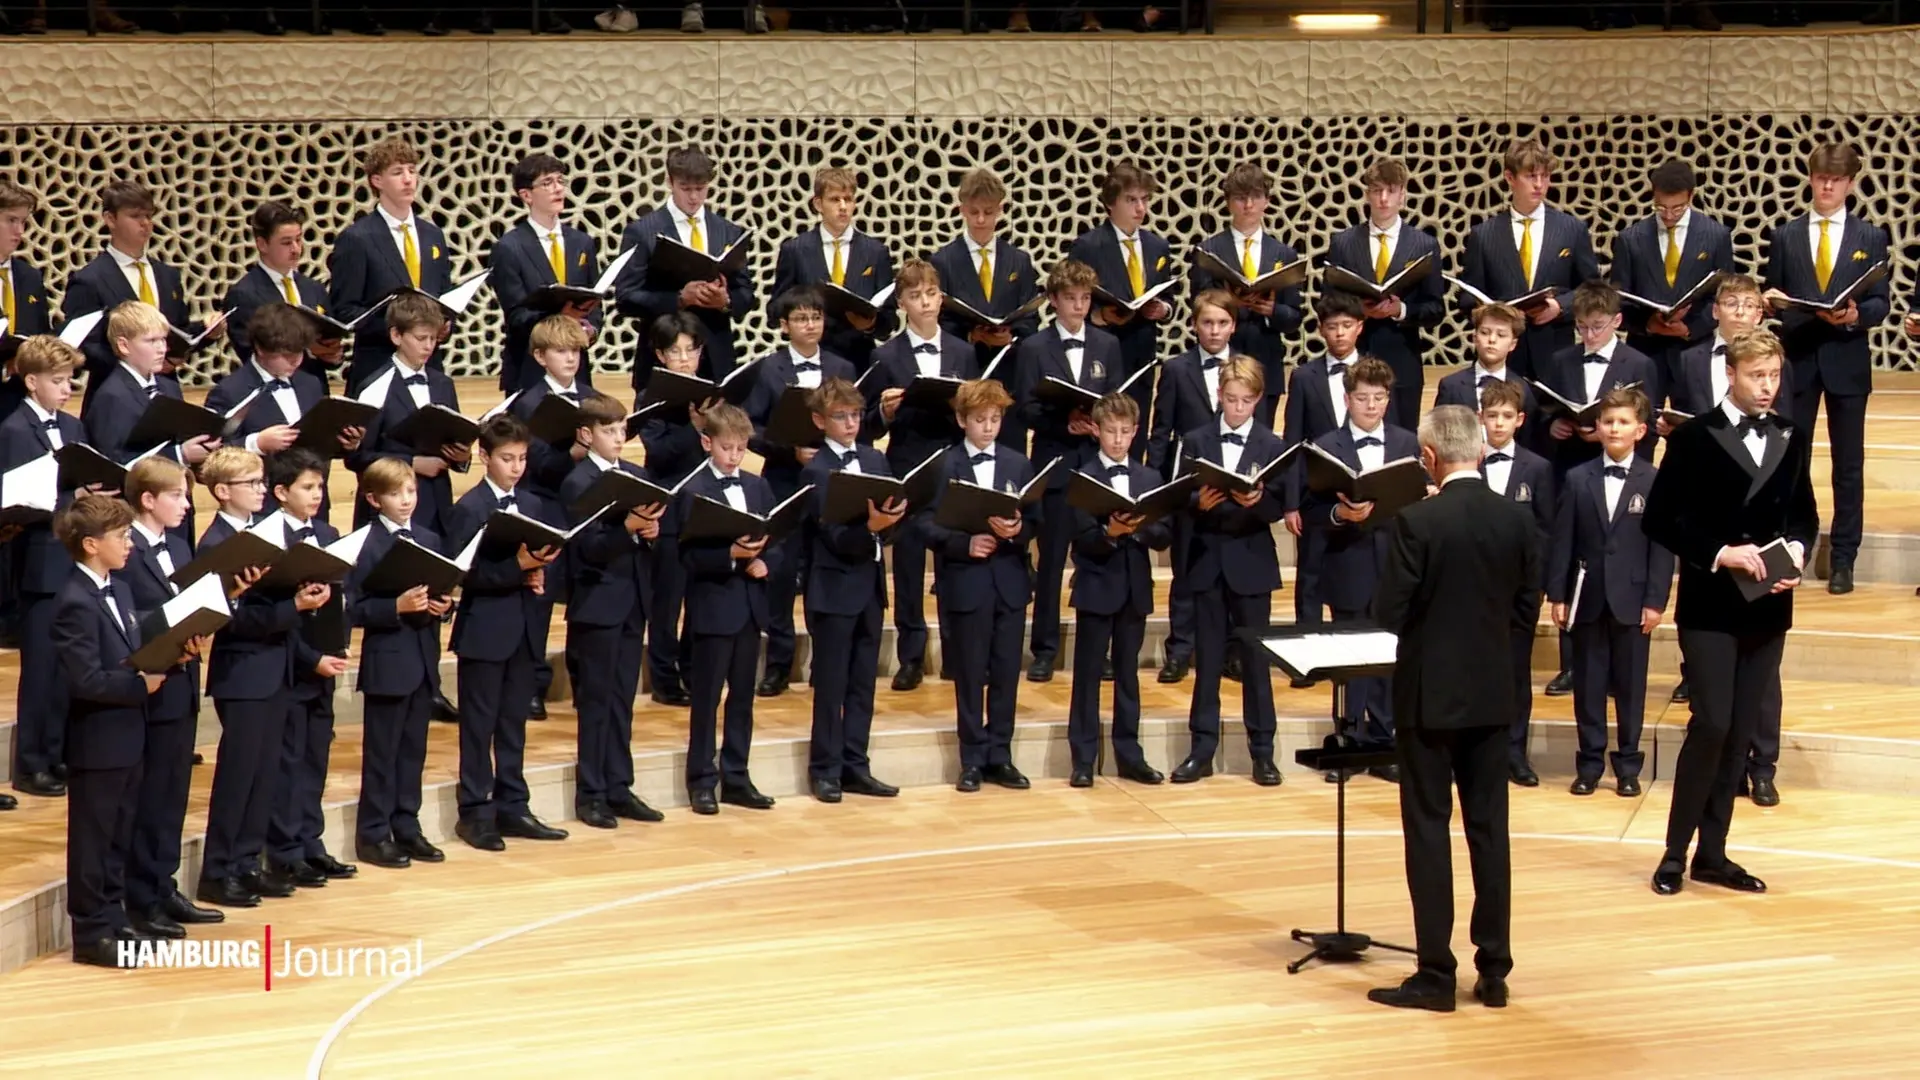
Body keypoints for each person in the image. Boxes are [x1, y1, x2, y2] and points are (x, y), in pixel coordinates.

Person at [1368, 404, 1540, 1013]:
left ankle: (1436, 976)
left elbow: (1390, 614)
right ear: (1483, 451)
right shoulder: (1517, 521)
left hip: (1429, 700)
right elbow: (1525, 612)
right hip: (1495, 697)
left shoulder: (1418, 521)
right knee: (1490, 832)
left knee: (1429, 830)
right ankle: (1494, 970)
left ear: (1430, 459)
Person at [1643, 328, 1817, 898]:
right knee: (1712, 722)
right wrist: (1720, 552)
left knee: (1740, 731)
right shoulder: (1695, 437)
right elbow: (1662, 519)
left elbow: (1804, 516)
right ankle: (1674, 852)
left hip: (1769, 605)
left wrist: (1795, 552)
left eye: (1774, 377)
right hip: (1712, 605)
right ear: (1732, 376)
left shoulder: (1792, 435)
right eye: (1757, 376)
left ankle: (1712, 855)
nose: (1767, 387)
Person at [195, 447, 333, 908]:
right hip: (243, 673)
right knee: (238, 778)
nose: (259, 490)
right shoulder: (217, 543)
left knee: (264, 777)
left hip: (276, 669)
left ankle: (247, 865)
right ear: (221, 491)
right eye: (250, 484)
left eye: (259, 482)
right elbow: (228, 620)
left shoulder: (265, 535)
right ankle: (218, 871)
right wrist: (293, 607)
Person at [1762, 141, 1889, 597]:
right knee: (1790, 460)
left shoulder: (1871, 237)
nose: (1827, 186)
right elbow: (1773, 297)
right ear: (1811, 179)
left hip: (1846, 360)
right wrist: (1773, 302)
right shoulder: (1786, 236)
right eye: (1820, 178)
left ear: (1850, 184)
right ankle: (1792, 548)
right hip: (1797, 359)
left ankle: (1843, 559)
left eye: (1836, 180)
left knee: (1848, 466)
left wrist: (1856, 316)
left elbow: (1880, 303)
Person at [49, 494, 171, 969]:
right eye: (121, 537)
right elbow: (87, 680)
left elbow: (129, 654)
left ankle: (115, 921)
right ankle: (91, 933)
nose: (129, 545)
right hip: (97, 739)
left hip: (129, 734)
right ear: (90, 545)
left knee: (120, 834)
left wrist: (168, 656)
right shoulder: (73, 602)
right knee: (93, 841)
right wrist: (140, 684)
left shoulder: (117, 590)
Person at [444, 415, 570, 852]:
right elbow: (464, 575)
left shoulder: (533, 505)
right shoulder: (470, 509)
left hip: (523, 628)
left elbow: (540, 560)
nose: (516, 467)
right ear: (484, 457)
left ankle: (513, 805)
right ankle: (475, 813)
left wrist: (537, 578)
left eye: (521, 458)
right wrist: (517, 570)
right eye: (507, 459)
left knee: (513, 723)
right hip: (484, 629)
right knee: (479, 726)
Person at [121, 458, 230, 933]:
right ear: (148, 499)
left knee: (172, 794)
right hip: (151, 684)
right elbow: (132, 618)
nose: (187, 505)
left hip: (184, 681)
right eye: (178, 497)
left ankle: (163, 887)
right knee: (148, 797)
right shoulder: (124, 549)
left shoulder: (180, 546)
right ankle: (141, 896)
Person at [1546, 387, 1673, 797]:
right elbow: (1562, 540)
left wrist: (1656, 600)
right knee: (1589, 684)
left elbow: (1661, 546)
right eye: (1608, 421)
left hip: (1633, 600)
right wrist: (1559, 595)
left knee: (1631, 686)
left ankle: (1629, 765)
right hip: (1587, 596)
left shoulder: (1654, 481)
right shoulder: (1577, 478)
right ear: (1597, 427)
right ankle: (1589, 764)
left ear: (1640, 431)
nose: (1614, 428)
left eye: (1623, 422)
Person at [861, 259, 978, 691]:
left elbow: (978, 411)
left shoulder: (964, 352)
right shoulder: (884, 355)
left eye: (930, 293)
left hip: (953, 466)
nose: (924, 302)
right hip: (907, 465)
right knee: (908, 566)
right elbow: (868, 426)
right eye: (915, 296)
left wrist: (960, 408)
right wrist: (884, 413)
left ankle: (954, 652)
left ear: (941, 298)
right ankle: (911, 655)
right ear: (902, 303)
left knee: (953, 563)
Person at [918, 378, 1038, 793]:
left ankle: (999, 755)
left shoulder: (1017, 464)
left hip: (1008, 581)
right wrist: (964, 543)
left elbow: (1035, 520)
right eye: (980, 420)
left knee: (1006, 672)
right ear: (961, 420)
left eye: (995, 419)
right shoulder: (945, 465)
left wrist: (1019, 529)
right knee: (969, 673)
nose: (988, 427)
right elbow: (925, 524)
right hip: (966, 582)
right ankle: (971, 758)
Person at [1170, 357, 1285, 787]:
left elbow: (1279, 505)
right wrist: (1196, 503)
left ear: (1257, 400)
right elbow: (1178, 497)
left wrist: (1260, 503)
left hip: (1251, 563)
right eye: (1230, 399)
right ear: (1219, 395)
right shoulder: (1197, 440)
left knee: (1256, 663)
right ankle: (1201, 749)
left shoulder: (1272, 445)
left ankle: (1263, 753)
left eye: (1246, 401)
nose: (1237, 408)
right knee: (1208, 661)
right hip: (1207, 561)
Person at [1302, 356, 1419, 773]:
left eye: (1379, 398)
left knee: (1388, 654)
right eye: (1362, 398)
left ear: (1388, 400)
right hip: (1346, 560)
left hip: (1394, 564)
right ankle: (1349, 740)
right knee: (1351, 658)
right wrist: (1340, 516)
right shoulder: (1326, 445)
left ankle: (1383, 742)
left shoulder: (1407, 443)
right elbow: (1310, 508)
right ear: (1347, 399)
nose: (1371, 406)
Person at [561, 395, 670, 828]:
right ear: (586, 435)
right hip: (597, 604)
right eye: (609, 431)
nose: (619, 439)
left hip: (632, 601)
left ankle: (619, 787)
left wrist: (651, 532)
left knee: (623, 700)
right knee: (596, 701)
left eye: (622, 430)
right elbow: (587, 549)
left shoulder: (636, 476)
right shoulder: (577, 482)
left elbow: (643, 541)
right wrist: (628, 529)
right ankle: (591, 794)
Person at [742, 284, 856, 697]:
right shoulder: (769, 369)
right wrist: (789, 449)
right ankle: (779, 664)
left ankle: (825, 662)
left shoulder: (842, 367)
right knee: (782, 572)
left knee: (822, 572)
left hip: (831, 483)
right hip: (785, 482)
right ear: (785, 325)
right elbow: (750, 428)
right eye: (802, 318)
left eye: (816, 317)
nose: (810, 325)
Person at [798, 378, 905, 802]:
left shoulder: (875, 460)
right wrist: (874, 528)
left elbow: (893, 519)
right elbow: (833, 537)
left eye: (856, 415)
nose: (850, 424)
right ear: (819, 420)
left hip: (869, 589)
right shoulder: (816, 470)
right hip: (833, 588)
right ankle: (825, 768)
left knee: (863, 683)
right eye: (841, 417)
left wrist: (891, 524)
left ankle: (855, 765)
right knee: (832, 684)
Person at [1014, 259, 1121, 682]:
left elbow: (1115, 400)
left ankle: (1100, 650)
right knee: (1052, 560)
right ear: (1054, 301)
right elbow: (1024, 408)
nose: (1079, 306)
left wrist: (1099, 424)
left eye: (1085, 299)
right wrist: (1064, 423)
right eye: (1071, 299)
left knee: (1097, 560)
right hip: (1055, 463)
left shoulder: (1108, 345)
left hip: (1096, 465)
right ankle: (1045, 649)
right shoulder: (1035, 348)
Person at [346, 458, 454, 869]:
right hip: (387, 661)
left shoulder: (428, 537)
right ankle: (374, 834)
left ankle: (407, 826)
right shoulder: (363, 544)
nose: (406, 500)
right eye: (395, 493)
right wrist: (396, 606)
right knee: (383, 752)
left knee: (413, 751)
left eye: (410, 490)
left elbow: (439, 591)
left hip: (423, 659)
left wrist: (443, 605)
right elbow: (353, 608)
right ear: (374, 499)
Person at [258, 449, 356, 887]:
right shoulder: (268, 540)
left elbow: (335, 601)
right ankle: (285, 851)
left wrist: (336, 648)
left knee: (316, 757)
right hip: (292, 665)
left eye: (320, 487)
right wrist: (311, 658)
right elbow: (273, 611)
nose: (317, 495)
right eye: (308, 487)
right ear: (281, 492)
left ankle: (311, 843)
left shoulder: (327, 532)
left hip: (324, 663)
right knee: (289, 760)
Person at [677, 402, 782, 814]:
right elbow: (686, 557)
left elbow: (777, 537)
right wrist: (730, 554)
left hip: (749, 609)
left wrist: (763, 560)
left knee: (742, 698)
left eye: (741, 448)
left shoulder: (758, 487)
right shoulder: (693, 491)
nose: (734, 456)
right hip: (713, 608)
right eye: (726, 448)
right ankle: (702, 779)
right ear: (707, 443)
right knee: (706, 699)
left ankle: (736, 776)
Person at [1065, 391, 1171, 787]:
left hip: (1133, 589)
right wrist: (1110, 533)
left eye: (1125, 432)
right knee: (1088, 675)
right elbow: (1080, 538)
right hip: (1096, 586)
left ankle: (1129, 755)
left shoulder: (1148, 478)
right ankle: (1083, 758)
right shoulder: (1084, 476)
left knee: (1128, 675)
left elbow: (1163, 534)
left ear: (1136, 432)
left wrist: (1138, 528)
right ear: (1096, 430)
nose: (1118, 439)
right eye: (1110, 431)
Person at [2, 336, 87, 802]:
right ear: (31, 382)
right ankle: (31, 764)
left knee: (65, 669)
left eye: (70, 379)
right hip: (37, 560)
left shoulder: (72, 426)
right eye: (57, 381)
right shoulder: (14, 430)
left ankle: (58, 753)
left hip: (72, 556)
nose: (67, 388)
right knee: (40, 670)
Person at [1146, 289, 1238, 683]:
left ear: (1233, 325)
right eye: (1207, 322)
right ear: (1194, 325)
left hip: (1236, 485)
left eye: (1221, 323)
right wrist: (1155, 485)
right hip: (1189, 487)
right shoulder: (1178, 369)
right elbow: (1161, 431)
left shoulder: (1247, 367)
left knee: (1234, 574)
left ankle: (1232, 652)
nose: (1214, 331)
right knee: (1186, 571)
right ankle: (1180, 650)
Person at [1456, 138, 1600, 380]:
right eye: (1531, 176)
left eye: (1545, 176)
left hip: (1556, 351)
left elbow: (1592, 289)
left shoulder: (1571, 229)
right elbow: (1468, 298)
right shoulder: (1484, 235)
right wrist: (1497, 313)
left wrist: (1560, 307)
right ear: (1510, 178)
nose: (1539, 185)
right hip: (1503, 357)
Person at [61, 180, 213, 403]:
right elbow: (84, 347)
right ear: (110, 219)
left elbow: (176, 332)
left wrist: (206, 332)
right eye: (135, 216)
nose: (146, 223)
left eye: (149, 216)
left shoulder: (168, 275)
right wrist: (140, 362)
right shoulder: (89, 279)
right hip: (115, 397)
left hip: (167, 393)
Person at [616, 145, 755, 386]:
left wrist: (726, 301)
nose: (693, 197)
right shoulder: (641, 231)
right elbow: (626, 298)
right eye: (685, 189)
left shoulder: (729, 231)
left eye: (700, 189)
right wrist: (679, 298)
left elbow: (746, 294)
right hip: (662, 356)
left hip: (716, 358)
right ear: (670, 182)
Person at [1326, 157, 1447, 429]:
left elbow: (1435, 309)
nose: (1383, 199)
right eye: (1377, 190)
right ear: (1367, 194)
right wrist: (1361, 311)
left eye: (1391, 191)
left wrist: (1400, 310)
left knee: (1402, 442)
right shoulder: (1343, 243)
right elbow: (1328, 301)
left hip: (1402, 362)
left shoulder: (1423, 244)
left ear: (1402, 195)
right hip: (1354, 357)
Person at [328, 136, 454, 393]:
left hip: (430, 367)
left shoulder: (433, 235)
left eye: (412, 171)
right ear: (377, 181)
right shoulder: (357, 239)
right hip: (378, 366)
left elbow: (444, 295)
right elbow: (346, 311)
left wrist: (445, 323)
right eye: (397, 172)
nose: (408, 179)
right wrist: (402, 327)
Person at [1474, 380, 1554, 786]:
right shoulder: (1466, 465)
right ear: (1480, 419)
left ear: (1520, 420)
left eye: (1507, 416)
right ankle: (1475, 755)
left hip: (1518, 590)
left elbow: (1544, 532)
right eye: (1492, 416)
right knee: (1472, 672)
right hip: (1471, 590)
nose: (1499, 423)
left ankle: (1514, 752)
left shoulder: (1538, 468)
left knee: (1515, 675)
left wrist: (1534, 584)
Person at [929, 168, 1041, 452]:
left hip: (1007, 376)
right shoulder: (944, 261)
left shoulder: (1019, 261)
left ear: (1000, 210)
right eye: (974, 212)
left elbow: (1030, 320)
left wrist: (1011, 337)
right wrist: (971, 336)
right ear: (962, 209)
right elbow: (937, 320)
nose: (981, 220)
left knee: (1010, 457)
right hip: (966, 374)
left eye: (988, 212)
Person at [1609, 160, 1736, 408]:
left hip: (1695, 350)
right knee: (1641, 427)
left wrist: (1689, 328)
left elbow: (1724, 296)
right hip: (1645, 351)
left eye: (1677, 208)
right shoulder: (1630, 239)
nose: (1668, 215)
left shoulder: (1716, 236)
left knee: (1693, 431)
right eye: (1661, 207)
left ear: (1691, 196)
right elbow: (1619, 299)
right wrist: (1647, 324)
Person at [1187, 163, 1303, 425]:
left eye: (1255, 197)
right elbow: (1196, 305)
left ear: (1267, 201)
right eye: (1240, 198)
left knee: (1260, 444)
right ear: (1228, 203)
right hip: (1221, 362)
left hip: (1266, 363)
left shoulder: (1284, 254)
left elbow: (1294, 318)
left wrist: (1272, 310)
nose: (1248, 205)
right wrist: (1232, 305)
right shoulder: (1208, 251)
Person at [346, 291, 469, 535]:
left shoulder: (442, 384)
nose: (428, 346)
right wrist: (412, 463)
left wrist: (462, 456)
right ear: (396, 335)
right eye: (421, 338)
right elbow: (357, 458)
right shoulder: (374, 386)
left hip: (436, 509)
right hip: (387, 513)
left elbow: (454, 437)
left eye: (433, 339)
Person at [634, 313, 709, 707]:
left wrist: (706, 425)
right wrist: (694, 429)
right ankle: (664, 679)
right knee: (666, 601)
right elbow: (658, 454)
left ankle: (695, 670)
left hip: (703, 508)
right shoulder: (651, 397)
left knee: (699, 597)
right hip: (666, 506)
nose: (684, 359)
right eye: (675, 352)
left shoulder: (710, 395)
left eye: (691, 350)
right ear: (661, 355)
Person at [1071, 161, 1172, 453]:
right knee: (1101, 432)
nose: (1140, 207)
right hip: (1103, 352)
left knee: (1135, 432)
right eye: (1131, 200)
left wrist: (1163, 310)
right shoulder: (1088, 246)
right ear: (1110, 204)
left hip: (1143, 351)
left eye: (1144, 199)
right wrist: (1099, 316)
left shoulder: (1157, 247)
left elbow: (1171, 295)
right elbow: (1071, 300)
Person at [489, 152, 604, 392]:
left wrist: (589, 330)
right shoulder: (509, 248)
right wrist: (561, 319)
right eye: (547, 183)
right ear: (526, 195)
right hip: (530, 368)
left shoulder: (582, 242)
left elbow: (595, 300)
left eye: (560, 181)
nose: (557, 189)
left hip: (576, 367)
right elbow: (516, 317)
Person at [770, 165, 895, 375]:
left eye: (848, 199)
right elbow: (774, 310)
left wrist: (871, 323)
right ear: (818, 204)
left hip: (860, 361)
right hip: (810, 359)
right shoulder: (795, 250)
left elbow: (890, 320)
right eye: (835, 199)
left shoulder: (876, 252)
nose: (843, 206)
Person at [221, 200, 344, 388]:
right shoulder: (244, 295)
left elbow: (330, 344)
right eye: (286, 242)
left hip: (315, 393)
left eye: (299, 239)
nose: (295, 249)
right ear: (262, 244)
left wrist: (332, 354)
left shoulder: (313, 288)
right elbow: (251, 355)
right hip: (271, 393)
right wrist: (309, 350)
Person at [0, 180, 55, 424]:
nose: (20, 231)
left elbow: (41, 332)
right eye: (12, 220)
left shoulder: (30, 276)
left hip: (22, 404)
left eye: (23, 222)